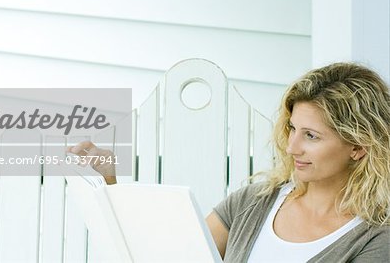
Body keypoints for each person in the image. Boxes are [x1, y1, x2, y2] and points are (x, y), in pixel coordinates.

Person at [69, 62, 390, 262]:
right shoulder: (253, 203)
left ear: (359, 147)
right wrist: (110, 184)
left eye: (311, 136)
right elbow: (160, 256)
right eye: (292, 128)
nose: (292, 147)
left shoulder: (375, 239)